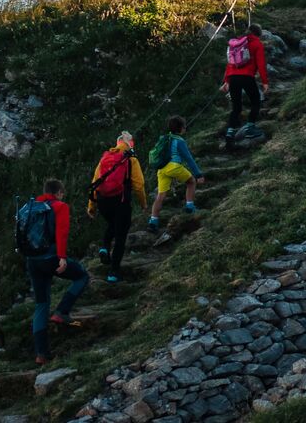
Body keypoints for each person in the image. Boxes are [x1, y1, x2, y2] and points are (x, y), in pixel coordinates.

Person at [14, 178, 88, 364]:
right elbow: (62, 233)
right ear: (58, 192)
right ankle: (62, 311)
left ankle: (41, 354)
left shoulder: (29, 207)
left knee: (41, 304)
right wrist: (62, 257)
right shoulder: (60, 207)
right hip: (51, 258)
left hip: (32, 260)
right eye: (62, 193)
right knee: (82, 276)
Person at [88, 131, 146, 282]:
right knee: (120, 236)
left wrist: (91, 207)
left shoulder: (104, 159)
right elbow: (139, 185)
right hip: (120, 202)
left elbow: (95, 183)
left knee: (112, 224)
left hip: (102, 201)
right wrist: (143, 203)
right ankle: (113, 272)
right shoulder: (130, 159)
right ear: (129, 144)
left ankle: (104, 248)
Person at [147, 116, 204, 229]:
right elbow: (189, 158)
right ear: (181, 128)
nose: (185, 128)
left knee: (160, 195)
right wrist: (198, 174)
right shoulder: (179, 141)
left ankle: (153, 221)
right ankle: (190, 206)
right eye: (184, 126)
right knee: (191, 181)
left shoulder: (164, 138)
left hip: (161, 169)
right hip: (173, 166)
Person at [222, 22, 271, 142]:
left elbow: (230, 64)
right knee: (256, 101)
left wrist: (226, 81)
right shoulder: (257, 43)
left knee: (236, 107)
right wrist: (265, 82)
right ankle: (250, 128)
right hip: (247, 77)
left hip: (233, 77)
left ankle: (229, 135)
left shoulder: (237, 43)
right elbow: (261, 64)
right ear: (258, 34)